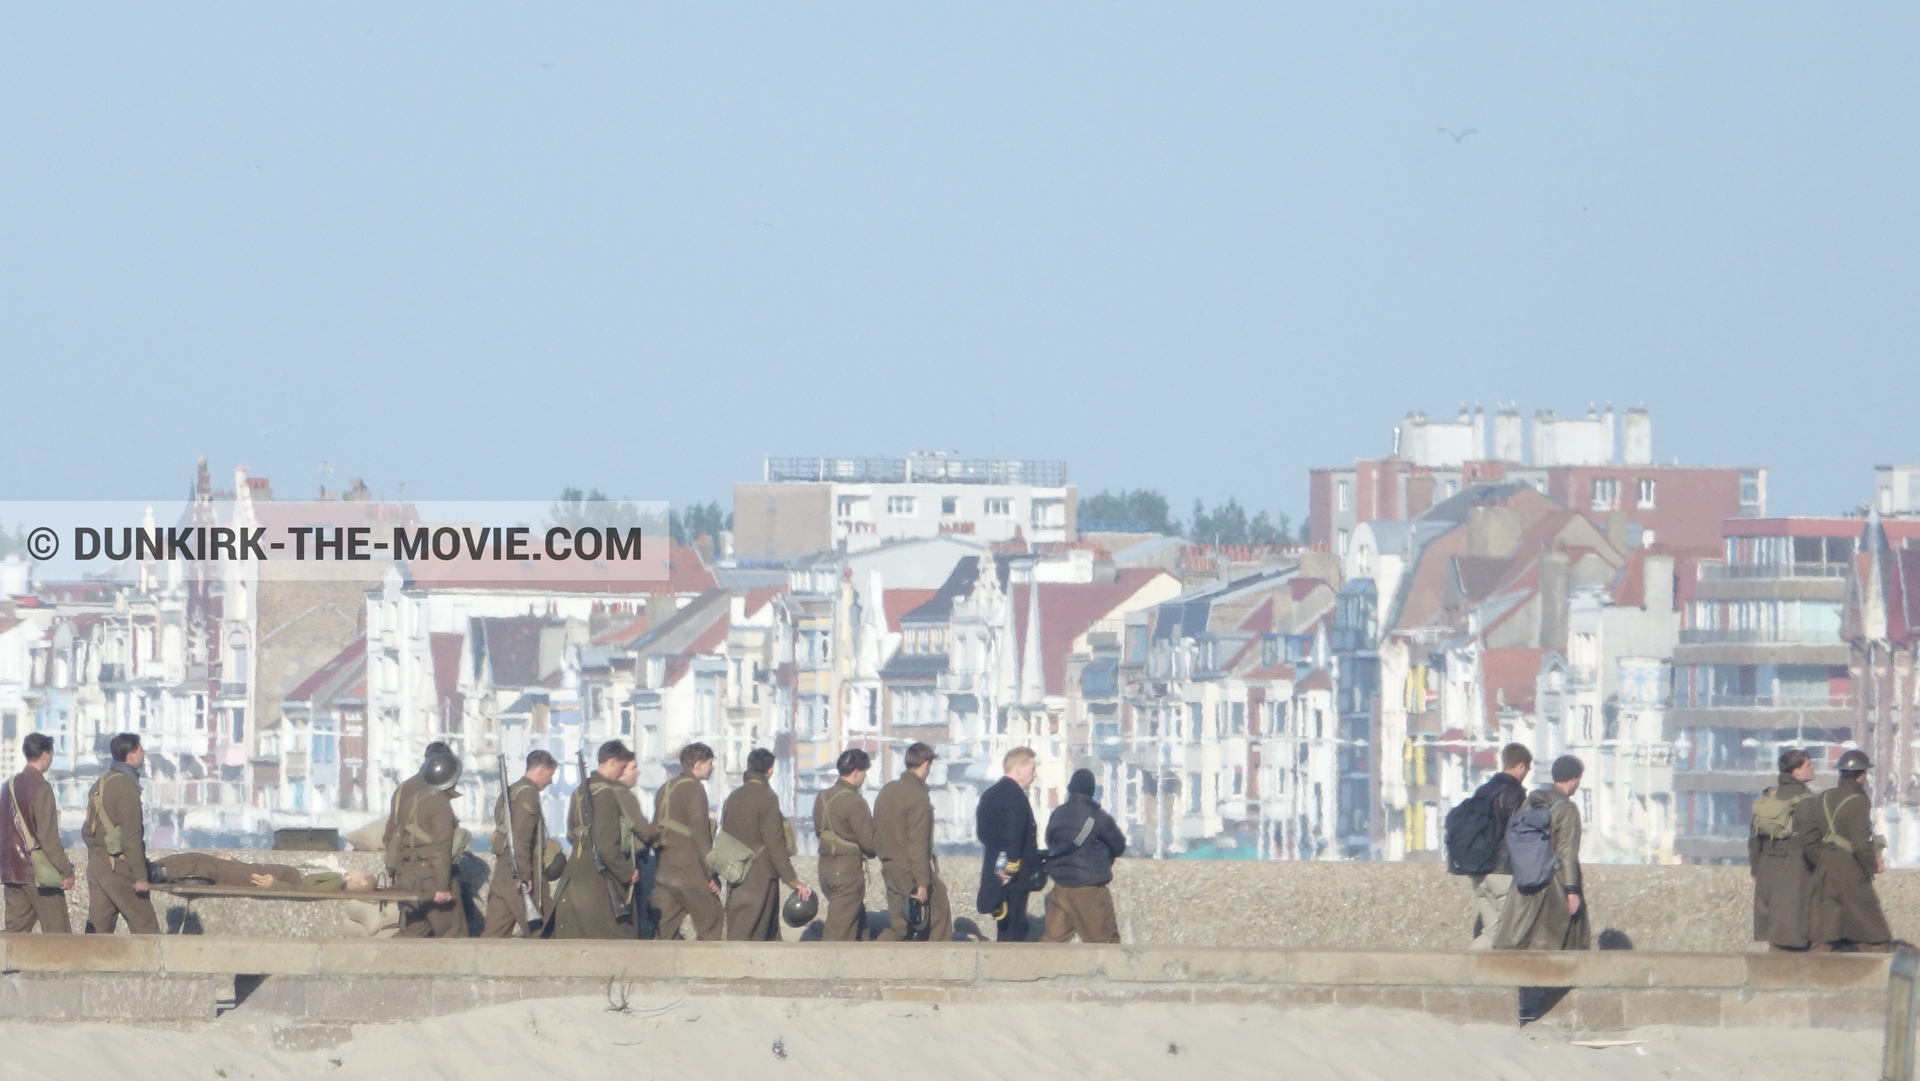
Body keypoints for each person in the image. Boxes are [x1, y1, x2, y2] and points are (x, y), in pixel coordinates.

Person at [1493, 754, 1590, 952]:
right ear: (1574, 779)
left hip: (1525, 877)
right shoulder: (1567, 809)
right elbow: (1566, 853)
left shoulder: (1532, 801)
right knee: (1559, 945)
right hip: (1553, 884)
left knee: (1521, 941)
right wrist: (1572, 890)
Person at [1801, 749, 1893, 952]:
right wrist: (1872, 865)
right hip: (1850, 870)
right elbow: (1861, 844)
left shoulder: (1823, 798)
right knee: (1874, 934)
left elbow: (1808, 840)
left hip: (1824, 870)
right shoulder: (1859, 801)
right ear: (1861, 775)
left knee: (1825, 936)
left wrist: (1825, 860)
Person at [552, 741, 643, 939]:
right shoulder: (606, 794)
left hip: (576, 867)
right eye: (621, 766)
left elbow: (571, 831)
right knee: (619, 935)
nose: (621, 773)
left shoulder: (580, 790)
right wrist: (627, 871)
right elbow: (606, 845)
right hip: (598, 875)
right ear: (612, 761)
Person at [720, 748, 811, 940]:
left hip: (735, 873)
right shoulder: (767, 797)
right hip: (760, 876)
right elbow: (775, 843)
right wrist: (793, 881)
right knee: (760, 933)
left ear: (749, 767)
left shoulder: (733, 797)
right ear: (770, 770)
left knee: (738, 930)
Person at [383, 750, 466, 938]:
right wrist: (442, 887)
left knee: (413, 932)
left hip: (408, 876)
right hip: (431, 878)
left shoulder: (412, 801)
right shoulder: (441, 805)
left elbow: (396, 839)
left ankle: (383, 962)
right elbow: (442, 848)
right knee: (454, 934)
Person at [1039, 768, 1127, 944]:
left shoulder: (1058, 814)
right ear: (1092, 791)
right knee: (1105, 943)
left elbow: (1050, 840)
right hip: (1089, 889)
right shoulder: (1098, 816)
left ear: (1070, 788)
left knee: (1052, 943)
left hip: (1061, 887)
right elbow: (1119, 845)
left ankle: (1032, 971)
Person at [874, 742, 950, 942]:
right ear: (926, 765)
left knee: (900, 925)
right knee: (938, 912)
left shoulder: (887, 790)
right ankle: (937, 967)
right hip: (909, 867)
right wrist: (922, 883)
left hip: (889, 866)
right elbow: (917, 843)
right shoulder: (917, 796)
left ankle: (881, 965)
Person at [84, 732, 159, 934]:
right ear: (131, 754)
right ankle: (151, 965)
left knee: (98, 929)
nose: (144, 752)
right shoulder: (126, 786)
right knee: (146, 925)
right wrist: (141, 877)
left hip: (97, 864)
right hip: (119, 865)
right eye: (140, 749)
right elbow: (131, 837)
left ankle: (87, 964)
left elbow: (86, 831)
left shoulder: (101, 783)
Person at [481, 749, 561, 938]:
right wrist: (524, 875)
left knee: (494, 934)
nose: (551, 781)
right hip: (520, 871)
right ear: (541, 770)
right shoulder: (528, 794)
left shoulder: (511, 792)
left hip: (503, 870)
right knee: (543, 930)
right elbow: (521, 837)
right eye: (550, 774)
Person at [2, 732, 74, 933]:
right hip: (38, 872)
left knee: (15, 934)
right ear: (46, 754)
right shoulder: (41, 788)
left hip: (12, 870)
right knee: (58, 934)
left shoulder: (8, 786)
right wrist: (66, 871)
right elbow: (48, 838)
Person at [1750, 748, 1820, 951]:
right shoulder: (1806, 799)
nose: (1813, 766)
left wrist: (1756, 869)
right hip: (1795, 867)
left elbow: (1754, 838)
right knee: (1797, 928)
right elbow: (1812, 838)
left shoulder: (1768, 796)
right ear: (1795, 771)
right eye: (1808, 764)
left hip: (1768, 866)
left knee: (1776, 929)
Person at [653, 742, 724, 941]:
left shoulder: (664, 789)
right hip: (689, 868)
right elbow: (700, 834)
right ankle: (708, 969)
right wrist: (712, 873)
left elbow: (654, 828)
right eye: (710, 763)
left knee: (664, 929)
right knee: (712, 918)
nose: (712, 768)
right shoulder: (695, 789)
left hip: (664, 869)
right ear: (698, 764)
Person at [1468, 743, 1532, 950]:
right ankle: (1461, 970)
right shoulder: (1514, 793)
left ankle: (1465, 970)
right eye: (1527, 769)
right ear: (1521, 766)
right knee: (1510, 931)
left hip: (1478, 871)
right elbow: (1519, 833)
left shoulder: (1483, 791)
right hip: (1502, 872)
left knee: (1492, 931)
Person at [975, 746, 1042, 942]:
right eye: (1032, 768)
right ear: (1018, 769)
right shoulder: (1015, 797)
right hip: (1014, 876)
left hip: (993, 868)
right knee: (1015, 928)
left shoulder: (990, 794)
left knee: (1004, 926)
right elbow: (1015, 835)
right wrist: (1010, 868)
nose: (1035, 774)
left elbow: (982, 833)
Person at [812, 748, 877, 941]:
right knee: (837, 933)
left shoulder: (821, 798)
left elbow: (819, 832)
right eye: (864, 773)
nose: (864, 778)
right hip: (846, 872)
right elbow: (870, 845)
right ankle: (824, 969)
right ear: (857, 772)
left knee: (857, 928)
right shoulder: (855, 802)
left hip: (825, 868)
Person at [148, 853, 375, 891]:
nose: (353, 869)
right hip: (264, 871)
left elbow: (307, 891)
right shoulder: (335, 876)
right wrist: (237, 861)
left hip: (271, 878)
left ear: (362, 882)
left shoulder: (336, 882)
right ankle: (155, 865)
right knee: (205, 859)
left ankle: (160, 872)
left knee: (210, 868)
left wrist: (275, 886)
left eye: (360, 871)